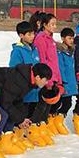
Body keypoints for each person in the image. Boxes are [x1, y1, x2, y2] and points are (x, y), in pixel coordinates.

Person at [0, 63, 52, 158]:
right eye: (46, 79)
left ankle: (5, 143)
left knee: (13, 112)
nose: (46, 83)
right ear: (37, 77)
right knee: (0, 116)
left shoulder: (28, 81)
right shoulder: (20, 80)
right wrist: (20, 119)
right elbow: (6, 102)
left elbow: (15, 99)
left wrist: (21, 117)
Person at [8, 21, 46, 148]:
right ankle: (15, 136)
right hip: (23, 90)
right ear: (21, 35)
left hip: (34, 89)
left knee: (30, 112)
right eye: (29, 34)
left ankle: (24, 134)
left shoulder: (34, 50)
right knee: (21, 113)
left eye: (33, 34)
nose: (32, 36)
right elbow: (14, 70)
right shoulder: (18, 51)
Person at [31, 12, 62, 140]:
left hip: (53, 76)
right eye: (52, 24)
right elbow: (42, 60)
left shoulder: (51, 39)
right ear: (44, 25)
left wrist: (58, 78)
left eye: (55, 24)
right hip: (45, 78)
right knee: (41, 105)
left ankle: (43, 126)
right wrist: (46, 79)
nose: (55, 26)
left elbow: (54, 61)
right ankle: (35, 128)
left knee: (49, 104)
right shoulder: (40, 38)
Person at [55, 27, 78, 135]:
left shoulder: (71, 51)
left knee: (67, 103)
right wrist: (63, 82)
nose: (71, 40)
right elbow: (61, 68)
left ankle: (58, 120)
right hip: (64, 83)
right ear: (63, 38)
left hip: (71, 81)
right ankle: (55, 121)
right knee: (61, 103)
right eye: (69, 38)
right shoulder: (60, 52)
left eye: (72, 38)